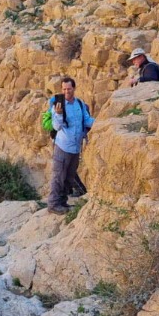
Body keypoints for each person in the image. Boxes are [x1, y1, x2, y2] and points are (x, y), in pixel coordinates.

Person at [47, 77, 94, 214]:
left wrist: (102, 123)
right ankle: (53, 204)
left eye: (69, 89)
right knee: (58, 176)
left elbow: (87, 120)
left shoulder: (79, 103)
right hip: (63, 146)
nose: (66, 91)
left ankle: (62, 202)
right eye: (64, 89)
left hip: (75, 147)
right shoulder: (57, 104)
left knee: (69, 176)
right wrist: (59, 114)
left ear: (74, 88)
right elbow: (56, 126)